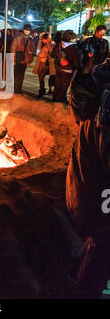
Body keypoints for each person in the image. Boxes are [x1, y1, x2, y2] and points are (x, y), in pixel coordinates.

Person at [66, 61, 110, 298]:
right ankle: (79, 279)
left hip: (92, 201)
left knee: (98, 244)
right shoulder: (98, 124)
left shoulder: (98, 124)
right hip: (95, 203)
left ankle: (78, 278)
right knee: (98, 244)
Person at [51, 30, 79, 104]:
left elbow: (52, 55)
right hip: (68, 69)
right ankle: (60, 100)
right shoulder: (73, 47)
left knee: (57, 84)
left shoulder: (58, 45)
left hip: (58, 68)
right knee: (64, 85)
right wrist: (77, 67)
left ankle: (54, 98)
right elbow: (76, 60)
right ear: (71, 38)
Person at [10, 24, 35, 94]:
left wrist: (29, 61)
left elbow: (32, 51)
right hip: (17, 59)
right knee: (15, 75)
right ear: (23, 29)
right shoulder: (17, 38)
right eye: (26, 30)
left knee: (21, 76)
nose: (27, 31)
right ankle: (14, 89)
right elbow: (13, 49)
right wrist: (13, 60)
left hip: (25, 60)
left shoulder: (30, 39)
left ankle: (18, 89)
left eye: (28, 30)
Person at [32, 33, 56, 98]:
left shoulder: (50, 45)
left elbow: (39, 53)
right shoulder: (47, 44)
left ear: (45, 39)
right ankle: (45, 90)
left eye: (42, 39)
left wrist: (44, 56)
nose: (42, 40)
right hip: (44, 63)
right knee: (42, 77)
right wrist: (40, 40)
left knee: (41, 77)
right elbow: (38, 51)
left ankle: (42, 92)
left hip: (45, 63)